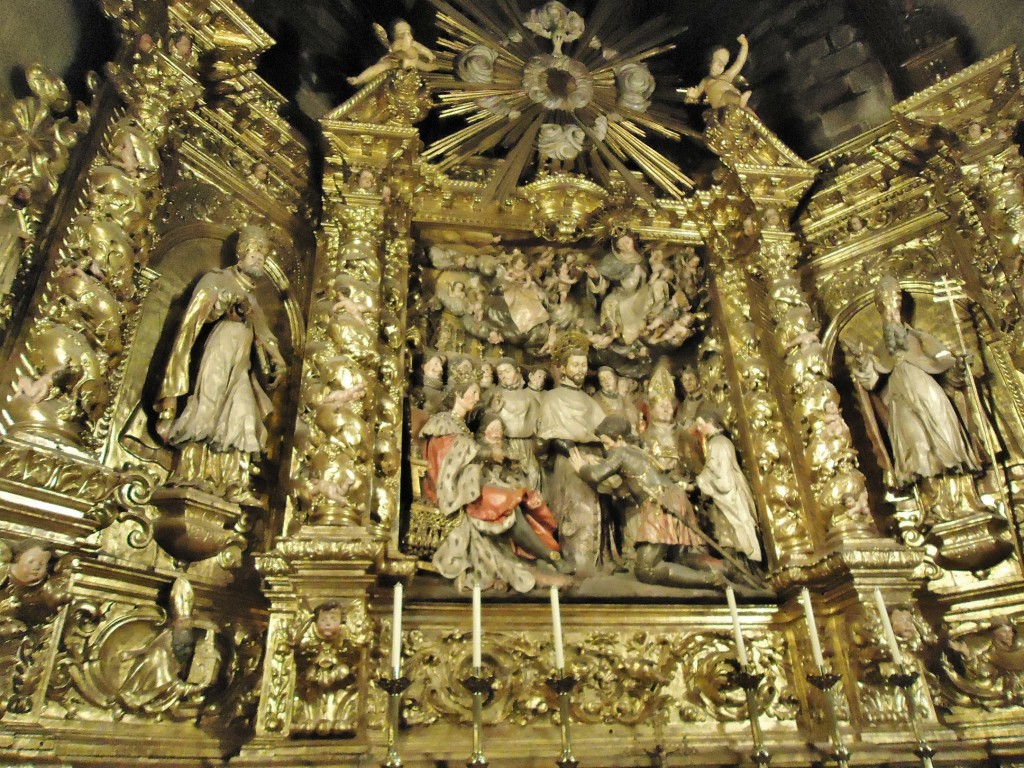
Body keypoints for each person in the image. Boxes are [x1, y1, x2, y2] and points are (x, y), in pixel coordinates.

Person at [156, 225, 287, 504]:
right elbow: (194, 320)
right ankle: (191, 474)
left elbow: (264, 334)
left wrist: (279, 361)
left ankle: (233, 484)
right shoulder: (217, 280)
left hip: (241, 364)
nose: (259, 260)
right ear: (241, 254)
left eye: (263, 257)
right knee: (209, 404)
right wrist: (226, 305)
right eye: (254, 254)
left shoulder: (253, 298)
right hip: (219, 350)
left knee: (243, 412)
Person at [422, 385, 567, 592]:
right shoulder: (443, 422)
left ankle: (545, 553)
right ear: (458, 394)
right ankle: (549, 555)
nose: (476, 397)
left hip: (470, 481)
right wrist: (489, 454)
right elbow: (448, 456)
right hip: (453, 487)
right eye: (472, 392)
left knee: (522, 496)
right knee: (507, 501)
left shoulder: (461, 424)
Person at [849, 275, 980, 487]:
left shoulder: (920, 338)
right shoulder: (879, 350)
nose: (892, 314)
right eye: (887, 310)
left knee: (945, 441)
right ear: (880, 310)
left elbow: (944, 364)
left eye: (896, 308)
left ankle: (962, 490)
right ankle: (929, 495)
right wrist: (862, 360)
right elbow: (869, 381)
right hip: (899, 400)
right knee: (915, 445)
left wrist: (958, 365)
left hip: (928, 392)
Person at [569, 415, 724, 590]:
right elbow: (623, 488)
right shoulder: (637, 452)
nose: (606, 449)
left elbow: (595, 475)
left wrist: (581, 467)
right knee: (678, 558)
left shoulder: (621, 452)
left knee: (646, 569)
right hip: (674, 497)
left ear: (619, 439)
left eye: (606, 443)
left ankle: (712, 579)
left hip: (660, 503)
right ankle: (725, 569)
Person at [536, 348, 607, 572]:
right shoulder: (552, 398)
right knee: (576, 509)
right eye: (575, 364)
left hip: (593, 457)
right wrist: (573, 452)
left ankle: (598, 560)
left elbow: (603, 430)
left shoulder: (590, 401)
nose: (580, 370)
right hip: (568, 458)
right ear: (564, 367)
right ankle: (576, 561)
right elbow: (547, 435)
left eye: (583, 365)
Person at [693, 409, 762, 564]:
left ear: (711, 422)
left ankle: (745, 564)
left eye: (701, 424)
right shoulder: (715, 443)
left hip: (730, 492)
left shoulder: (718, 443)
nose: (699, 429)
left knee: (737, 531)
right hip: (725, 491)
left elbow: (717, 471)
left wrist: (697, 483)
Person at [347, 19, 437, 87]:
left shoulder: (413, 44)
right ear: (394, 35)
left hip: (411, 63)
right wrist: (403, 46)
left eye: (408, 32)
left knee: (424, 66)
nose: (405, 35)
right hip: (393, 61)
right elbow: (395, 50)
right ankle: (358, 79)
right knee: (377, 68)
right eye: (401, 33)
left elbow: (422, 49)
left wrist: (429, 54)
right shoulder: (396, 43)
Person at [681, 35, 752, 111]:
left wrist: (744, 45)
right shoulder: (706, 81)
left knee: (745, 107)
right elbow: (697, 95)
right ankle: (739, 101)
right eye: (718, 61)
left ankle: (742, 103)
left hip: (736, 96)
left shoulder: (726, 76)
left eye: (724, 64)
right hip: (722, 102)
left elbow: (740, 62)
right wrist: (692, 95)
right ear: (709, 62)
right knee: (726, 96)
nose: (721, 66)